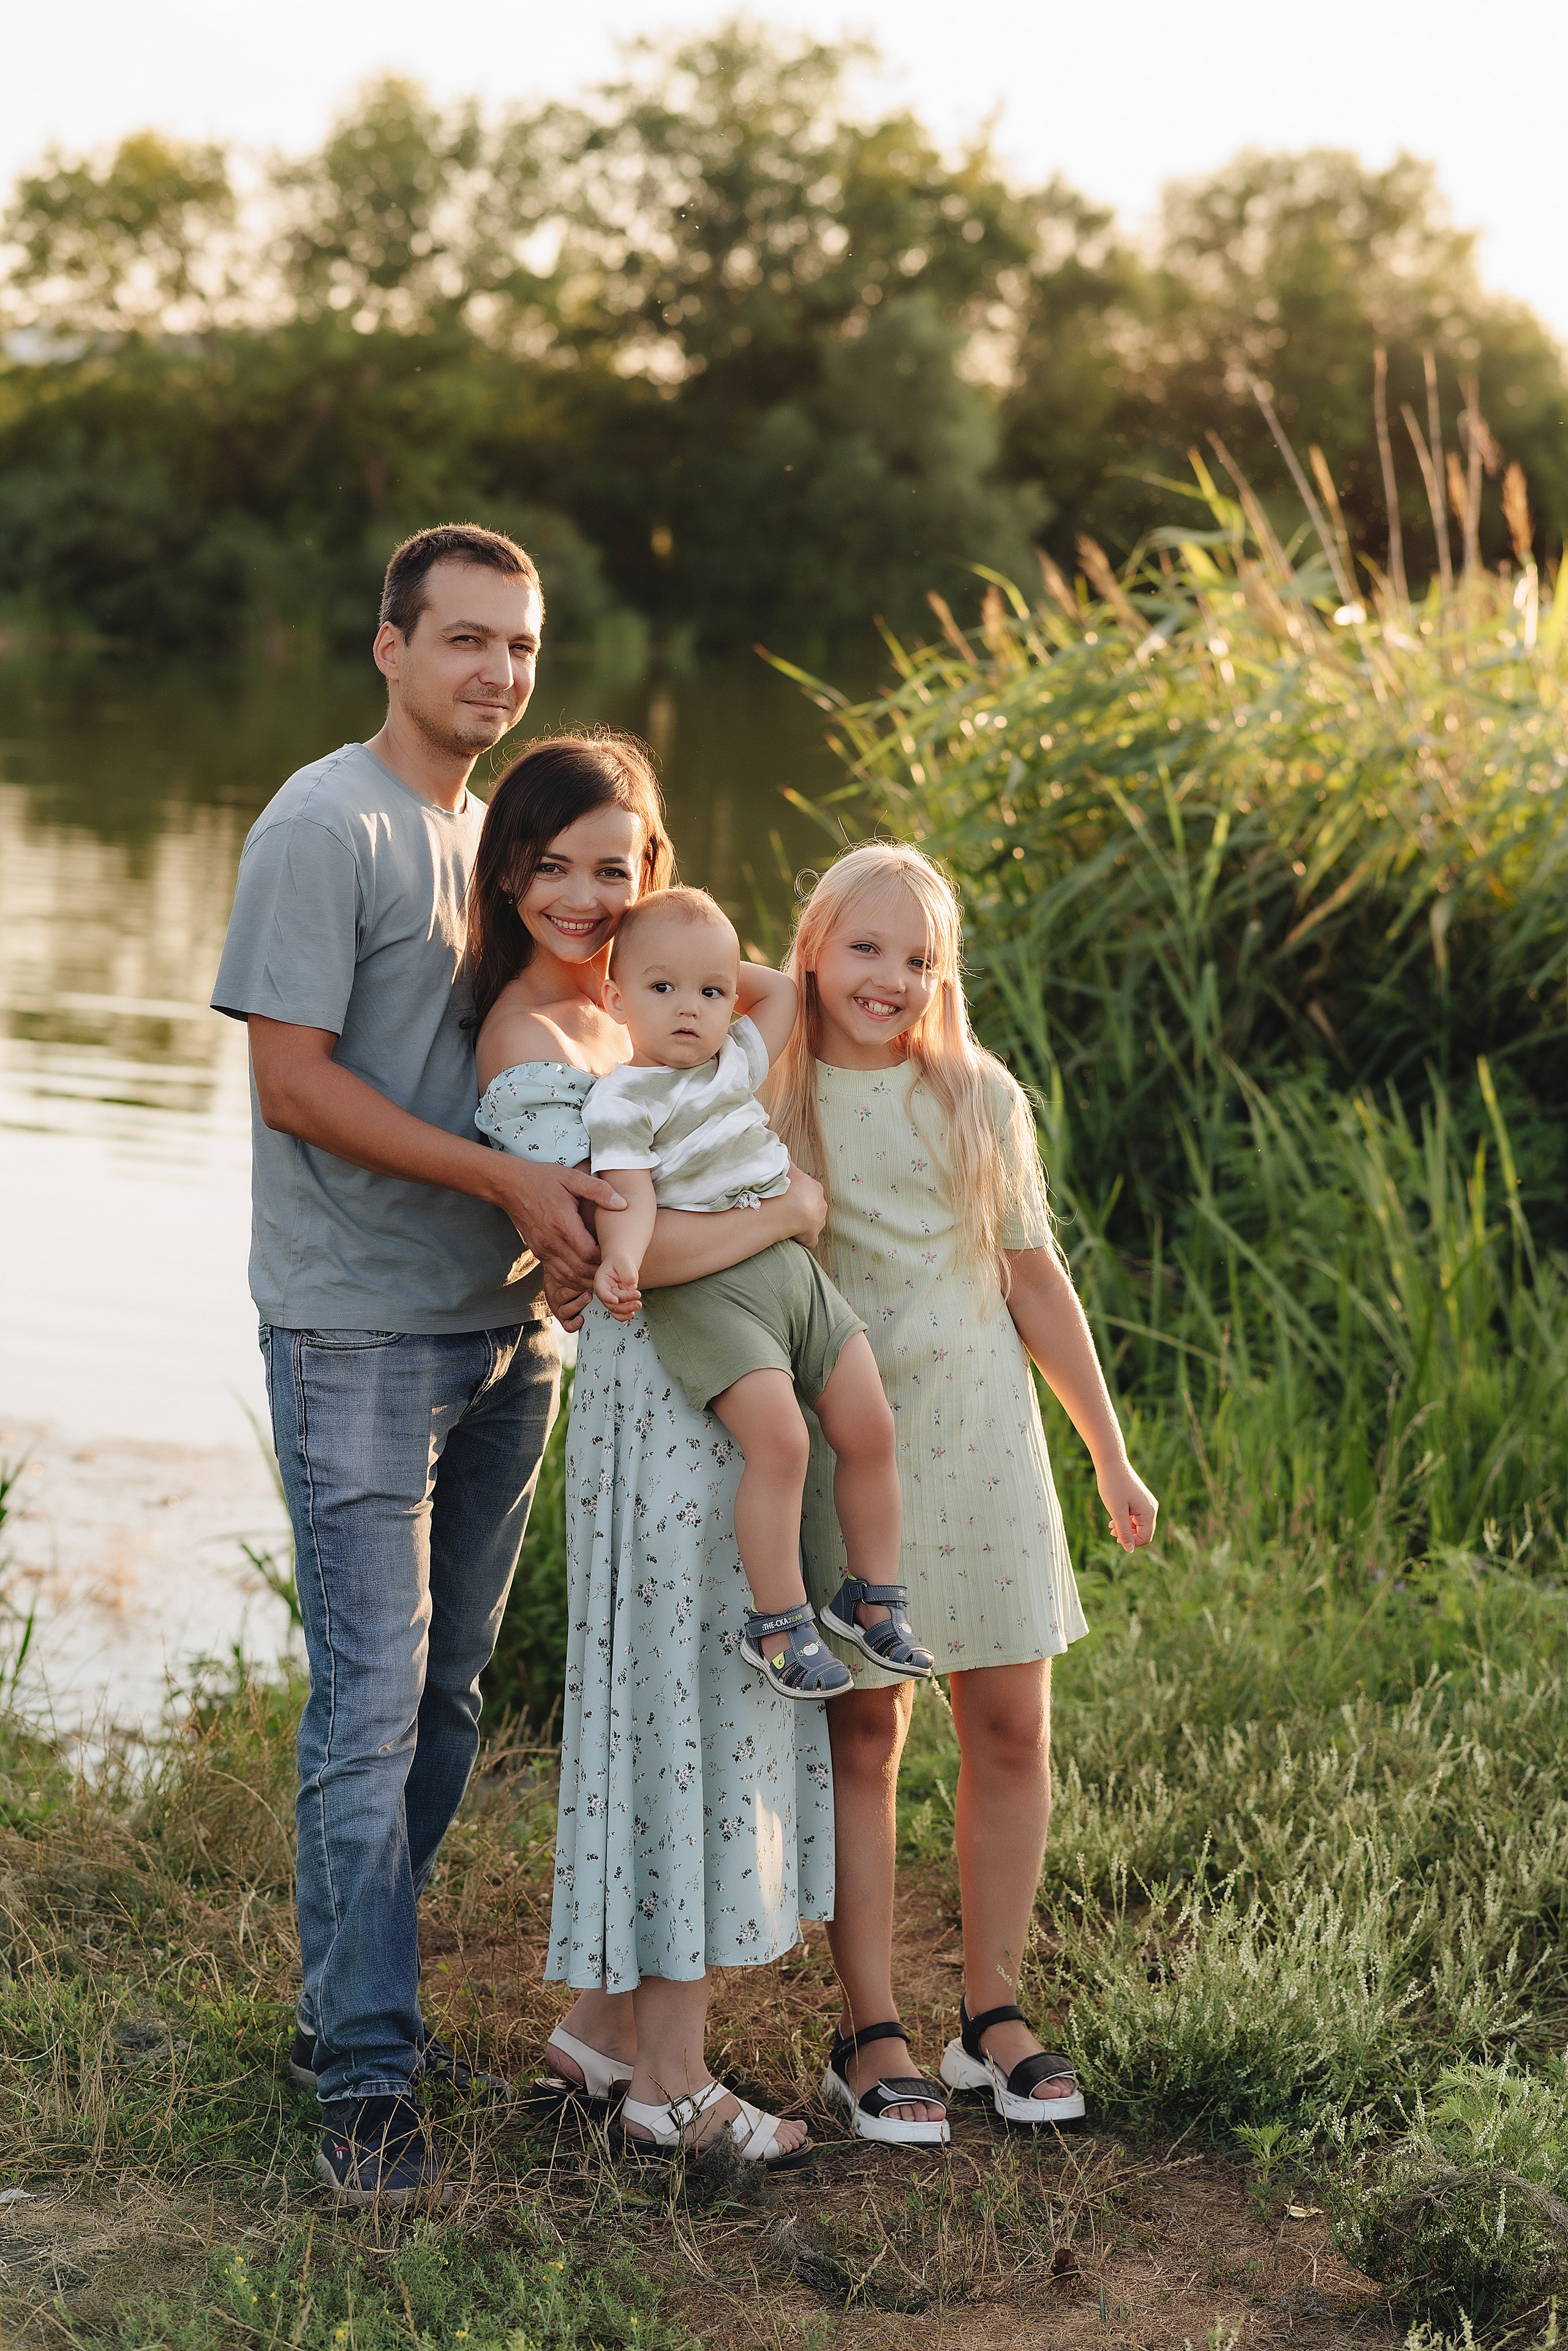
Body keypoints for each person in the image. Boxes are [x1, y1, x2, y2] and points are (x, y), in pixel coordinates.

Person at [211, 524, 631, 2209]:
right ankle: (368, 2071)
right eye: (464, 640)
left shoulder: (500, 831)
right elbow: (294, 1088)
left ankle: (347, 2004)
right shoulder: (331, 825)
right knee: (371, 1703)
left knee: (450, 1695)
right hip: (358, 1326)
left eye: (520, 648)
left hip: (507, 1323)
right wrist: (511, 1182)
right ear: (389, 645)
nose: (497, 673)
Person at [469, 735, 831, 2166]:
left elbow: (792, 995)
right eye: (551, 865)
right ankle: (670, 2088)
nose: (580, 895)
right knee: (680, 1697)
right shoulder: (536, 1043)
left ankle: (605, 2025)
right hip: (658, 1406)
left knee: (676, 1691)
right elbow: (650, 1247)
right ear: (507, 870)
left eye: (612, 868)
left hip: (706, 1393)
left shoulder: (646, 1005)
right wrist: (790, 1213)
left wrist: (685, 955)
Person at [770, 842, 1159, 2145]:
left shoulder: (980, 1096)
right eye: (862, 947)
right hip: (850, 1452)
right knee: (864, 1736)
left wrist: (1104, 1447)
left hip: (987, 1441)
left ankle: (988, 2008)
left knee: (1007, 1730)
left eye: (916, 957)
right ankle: (866, 2020)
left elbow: (1031, 1277)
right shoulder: (772, 1094)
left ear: (946, 974)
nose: (887, 978)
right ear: (811, 946)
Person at [582, 886, 933, 1702]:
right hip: (712, 1288)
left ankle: (869, 1597)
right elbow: (629, 1194)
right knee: (783, 1442)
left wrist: (695, 959)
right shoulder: (621, 1097)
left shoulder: (733, 1056)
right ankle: (777, 1621)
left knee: (869, 1423)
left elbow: (777, 988)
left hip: (793, 1273)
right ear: (615, 997)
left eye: (708, 991)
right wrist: (623, 1260)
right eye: (660, 989)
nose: (690, 1008)